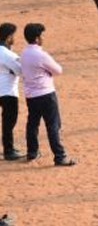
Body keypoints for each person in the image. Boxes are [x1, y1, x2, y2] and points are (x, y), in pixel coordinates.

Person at [20, 23, 76, 166]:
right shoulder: (41, 55)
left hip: (31, 95)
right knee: (53, 125)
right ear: (37, 38)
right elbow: (58, 70)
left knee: (32, 124)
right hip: (46, 93)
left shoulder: (24, 53)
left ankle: (32, 152)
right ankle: (59, 156)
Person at [0, 23, 23, 161]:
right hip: (7, 91)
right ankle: (9, 150)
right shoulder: (7, 54)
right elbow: (20, 70)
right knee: (9, 121)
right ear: (8, 37)